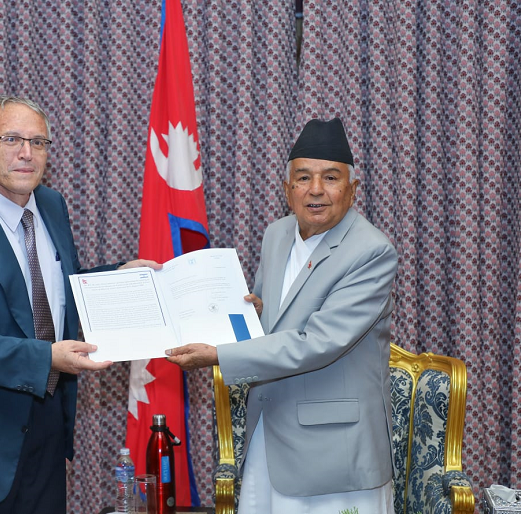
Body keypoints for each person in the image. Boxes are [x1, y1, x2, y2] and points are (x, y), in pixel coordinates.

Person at [0, 95, 159, 514]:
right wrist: (47, 358)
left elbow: (53, 293)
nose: (27, 153)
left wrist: (118, 277)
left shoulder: (51, 206)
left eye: (38, 142)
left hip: (45, 429)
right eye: (12, 139)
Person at [166, 118, 398, 513]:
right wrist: (253, 311)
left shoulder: (371, 252)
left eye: (331, 178)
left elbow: (318, 343)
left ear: (353, 189)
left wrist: (218, 355)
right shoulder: (277, 234)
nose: (316, 189)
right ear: (287, 188)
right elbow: (273, 319)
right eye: (303, 177)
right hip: (268, 432)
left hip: (332, 452)